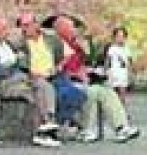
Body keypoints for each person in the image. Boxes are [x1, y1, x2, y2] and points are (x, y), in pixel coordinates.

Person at [51, 15, 139, 143]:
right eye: (71, 28)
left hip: (81, 80)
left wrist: (88, 69)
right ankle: (86, 129)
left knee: (106, 90)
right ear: (61, 30)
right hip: (65, 81)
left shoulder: (75, 46)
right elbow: (55, 68)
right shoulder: (55, 45)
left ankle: (121, 127)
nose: (74, 31)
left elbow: (81, 64)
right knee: (92, 91)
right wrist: (74, 73)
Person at [16, 12, 66, 147]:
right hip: (34, 77)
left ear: (36, 25)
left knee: (72, 90)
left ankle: (44, 131)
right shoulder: (20, 44)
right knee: (43, 86)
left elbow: (61, 58)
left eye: (27, 25)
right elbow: (22, 65)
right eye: (22, 26)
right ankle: (49, 120)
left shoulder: (52, 39)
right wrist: (35, 74)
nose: (24, 29)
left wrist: (57, 68)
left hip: (53, 75)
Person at [104, 25, 133, 94]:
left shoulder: (127, 49)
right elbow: (107, 60)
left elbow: (129, 62)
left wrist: (130, 74)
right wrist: (106, 71)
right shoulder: (112, 48)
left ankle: (122, 101)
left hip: (123, 74)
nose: (120, 38)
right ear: (114, 37)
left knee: (122, 92)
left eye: (122, 36)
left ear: (125, 38)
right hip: (113, 74)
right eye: (118, 36)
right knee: (112, 93)